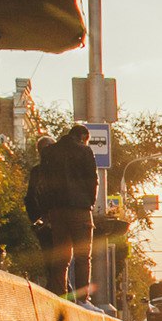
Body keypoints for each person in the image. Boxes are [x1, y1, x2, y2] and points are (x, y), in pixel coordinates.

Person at [35, 125, 98, 300]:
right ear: (83, 136)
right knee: (83, 256)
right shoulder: (85, 151)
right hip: (80, 210)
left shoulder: (49, 152)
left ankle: (59, 296)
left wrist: (48, 210)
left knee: (61, 257)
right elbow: (92, 180)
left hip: (57, 211)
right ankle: (82, 299)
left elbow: (43, 184)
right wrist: (89, 203)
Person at [24, 136, 57, 276]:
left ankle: (62, 289)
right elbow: (30, 197)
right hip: (50, 222)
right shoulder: (39, 171)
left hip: (55, 220)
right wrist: (38, 219)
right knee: (54, 260)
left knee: (57, 261)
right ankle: (62, 290)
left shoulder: (41, 171)